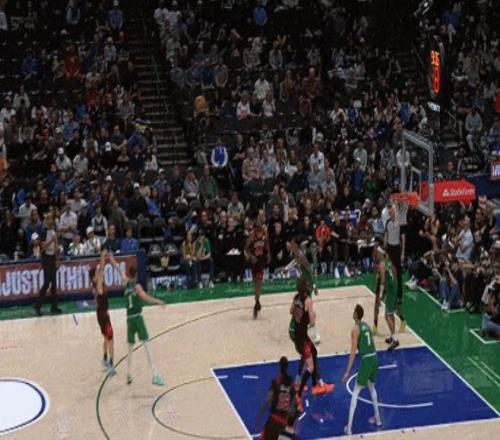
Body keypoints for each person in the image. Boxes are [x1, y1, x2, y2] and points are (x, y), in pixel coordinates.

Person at [110, 254, 166, 386]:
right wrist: (158, 301)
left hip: (129, 320)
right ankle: (155, 375)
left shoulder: (125, 283)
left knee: (130, 348)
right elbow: (146, 298)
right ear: (135, 276)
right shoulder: (137, 287)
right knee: (147, 346)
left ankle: (128, 374)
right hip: (137, 318)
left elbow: (117, 268)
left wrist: (111, 258)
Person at [289, 278, 334, 413]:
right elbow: (312, 322)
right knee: (310, 367)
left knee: (314, 352)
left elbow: (291, 311)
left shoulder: (296, 298)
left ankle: (315, 386)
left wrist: (300, 315)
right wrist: (313, 315)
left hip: (298, 334)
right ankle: (299, 393)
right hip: (302, 337)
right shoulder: (308, 300)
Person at [342, 304, 382, 435]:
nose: (352, 312)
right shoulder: (366, 326)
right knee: (372, 388)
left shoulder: (355, 329)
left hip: (367, 360)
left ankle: (349, 428)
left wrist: (348, 371)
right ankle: (378, 419)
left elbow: (353, 351)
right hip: (374, 358)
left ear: (356, 314)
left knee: (355, 393)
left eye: (354, 311)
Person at [287, 238, 320, 344]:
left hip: (308, 284)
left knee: (307, 308)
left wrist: (314, 285)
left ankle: (314, 334)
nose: (290, 245)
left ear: (295, 245)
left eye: (292, 244)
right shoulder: (297, 254)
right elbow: (294, 262)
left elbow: (310, 269)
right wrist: (287, 268)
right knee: (304, 307)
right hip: (304, 281)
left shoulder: (301, 255)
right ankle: (307, 328)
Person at [256, 356, 296, 440]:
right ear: (287, 366)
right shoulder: (292, 383)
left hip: (274, 420)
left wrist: (259, 417)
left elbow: (268, 400)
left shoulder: (276, 382)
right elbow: (293, 406)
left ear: (279, 366)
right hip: (284, 424)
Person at [91, 250, 115, 375]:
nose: (100, 274)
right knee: (111, 339)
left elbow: (100, 271)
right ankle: (111, 364)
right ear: (94, 277)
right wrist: (102, 256)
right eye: (97, 273)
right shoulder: (98, 284)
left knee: (106, 337)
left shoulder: (96, 285)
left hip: (100, 314)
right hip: (103, 315)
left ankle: (105, 359)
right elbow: (101, 270)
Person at [34, 213, 62, 316]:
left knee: (54, 284)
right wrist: (52, 240)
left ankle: (54, 307)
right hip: (46, 259)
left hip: (52, 258)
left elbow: (55, 246)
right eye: (48, 219)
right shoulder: (43, 232)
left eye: (51, 219)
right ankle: (38, 305)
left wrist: (57, 259)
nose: (50, 220)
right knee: (46, 283)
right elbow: (42, 248)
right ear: (45, 220)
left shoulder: (53, 231)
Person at [384, 204, 406, 333]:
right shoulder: (387, 222)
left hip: (397, 248)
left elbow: (403, 238)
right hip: (390, 248)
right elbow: (386, 235)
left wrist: (402, 253)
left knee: (398, 273)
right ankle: (389, 291)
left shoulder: (400, 222)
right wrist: (385, 247)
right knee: (389, 271)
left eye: (392, 211)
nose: (390, 213)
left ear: (395, 212)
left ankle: (399, 295)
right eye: (389, 211)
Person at [374, 246, 399, 350]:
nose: (376, 254)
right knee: (390, 314)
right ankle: (392, 336)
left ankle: (395, 339)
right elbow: (395, 273)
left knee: (387, 316)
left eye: (377, 253)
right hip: (393, 289)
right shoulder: (388, 262)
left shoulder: (382, 264)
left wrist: (380, 297)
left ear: (380, 254)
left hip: (391, 291)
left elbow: (383, 281)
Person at [245, 216, 270, 318]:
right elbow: (246, 248)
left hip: (262, 259)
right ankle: (257, 299)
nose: (259, 224)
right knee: (256, 281)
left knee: (259, 280)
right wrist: (251, 256)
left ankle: (257, 302)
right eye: (258, 222)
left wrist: (269, 254)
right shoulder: (252, 234)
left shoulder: (265, 232)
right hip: (254, 260)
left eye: (261, 222)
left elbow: (267, 244)